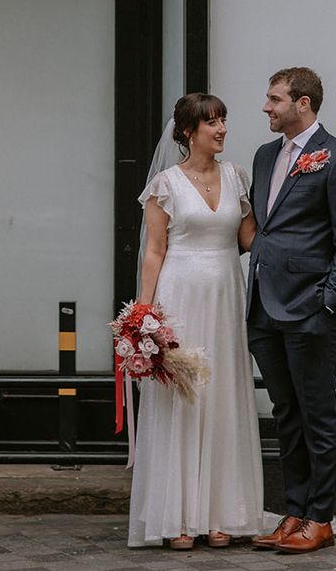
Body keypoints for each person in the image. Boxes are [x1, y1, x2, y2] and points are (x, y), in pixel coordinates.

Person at [127, 93, 264, 549]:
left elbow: (249, 240)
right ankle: (179, 516)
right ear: (188, 132)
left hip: (226, 295)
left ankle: (221, 512)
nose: (222, 128)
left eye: (224, 119)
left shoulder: (236, 176)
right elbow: (154, 250)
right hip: (179, 295)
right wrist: (144, 315)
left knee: (223, 395)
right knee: (183, 399)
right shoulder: (165, 184)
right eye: (212, 122)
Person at [247, 67, 336, 554]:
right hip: (262, 308)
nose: (266, 107)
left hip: (310, 310)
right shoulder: (263, 157)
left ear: (303, 104)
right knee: (285, 413)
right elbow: (263, 228)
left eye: (274, 99)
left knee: (317, 413)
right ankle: (293, 512)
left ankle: (321, 518)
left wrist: (329, 302)